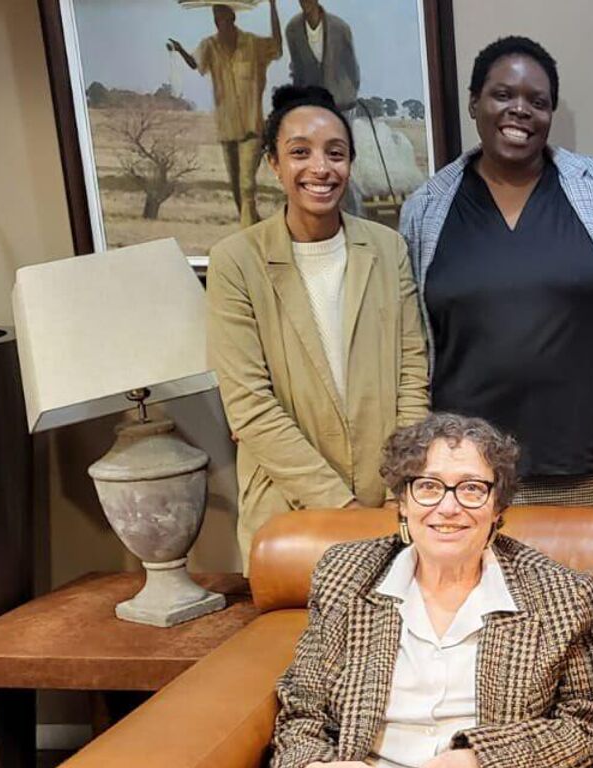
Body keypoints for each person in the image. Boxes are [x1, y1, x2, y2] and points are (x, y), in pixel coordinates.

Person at [271, 413, 593, 767]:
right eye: (428, 486)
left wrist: (479, 759)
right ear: (403, 503)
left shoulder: (561, 595)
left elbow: (592, 725)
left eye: (471, 488)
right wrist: (316, 765)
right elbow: (303, 712)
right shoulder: (345, 576)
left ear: (498, 506)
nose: (448, 507)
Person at [400, 36, 593, 506]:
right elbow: (410, 343)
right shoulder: (426, 209)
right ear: (474, 102)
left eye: (537, 102)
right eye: (503, 95)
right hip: (468, 480)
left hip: (591, 475)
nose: (520, 110)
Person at [207, 85, 428, 564]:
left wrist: (398, 487)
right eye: (300, 153)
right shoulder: (236, 262)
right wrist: (342, 508)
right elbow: (249, 405)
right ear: (273, 163)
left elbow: (413, 375)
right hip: (287, 510)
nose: (320, 168)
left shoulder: (388, 250)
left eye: (336, 153)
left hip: (387, 503)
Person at [168, 0, 283, 228]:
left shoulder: (252, 44)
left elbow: (277, 47)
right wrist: (180, 50)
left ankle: (247, 234)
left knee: (247, 185)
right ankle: (253, 227)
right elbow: (195, 63)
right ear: (215, 23)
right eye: (218, 21)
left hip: (251, 127)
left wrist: (273, 6)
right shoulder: (210, 46)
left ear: (233, 19)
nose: (222, 25)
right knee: (236, 189)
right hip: (227, 127)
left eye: (226, 20)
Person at [283, 0, 358, 115]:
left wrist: (348, 95)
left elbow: (352, 68)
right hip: (312, 105)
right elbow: (298, 71)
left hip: (341, 105)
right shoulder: (293, 29)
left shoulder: (340, 28)